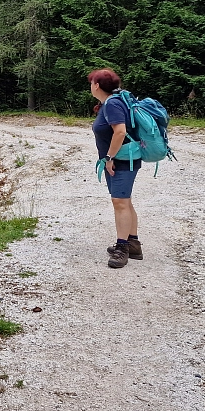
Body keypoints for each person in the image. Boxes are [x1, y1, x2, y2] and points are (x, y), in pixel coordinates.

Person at [88, 68, 142, 269]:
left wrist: (109, 158)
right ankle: (133, 243)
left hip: (121, 160)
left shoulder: (112, 104)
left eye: (91, 82)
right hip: (123, 159)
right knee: (124, 201)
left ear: (97, 85)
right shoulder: (111, 102)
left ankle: (122, 248)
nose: (90, 86)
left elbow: (120, 132)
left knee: (119, 202)